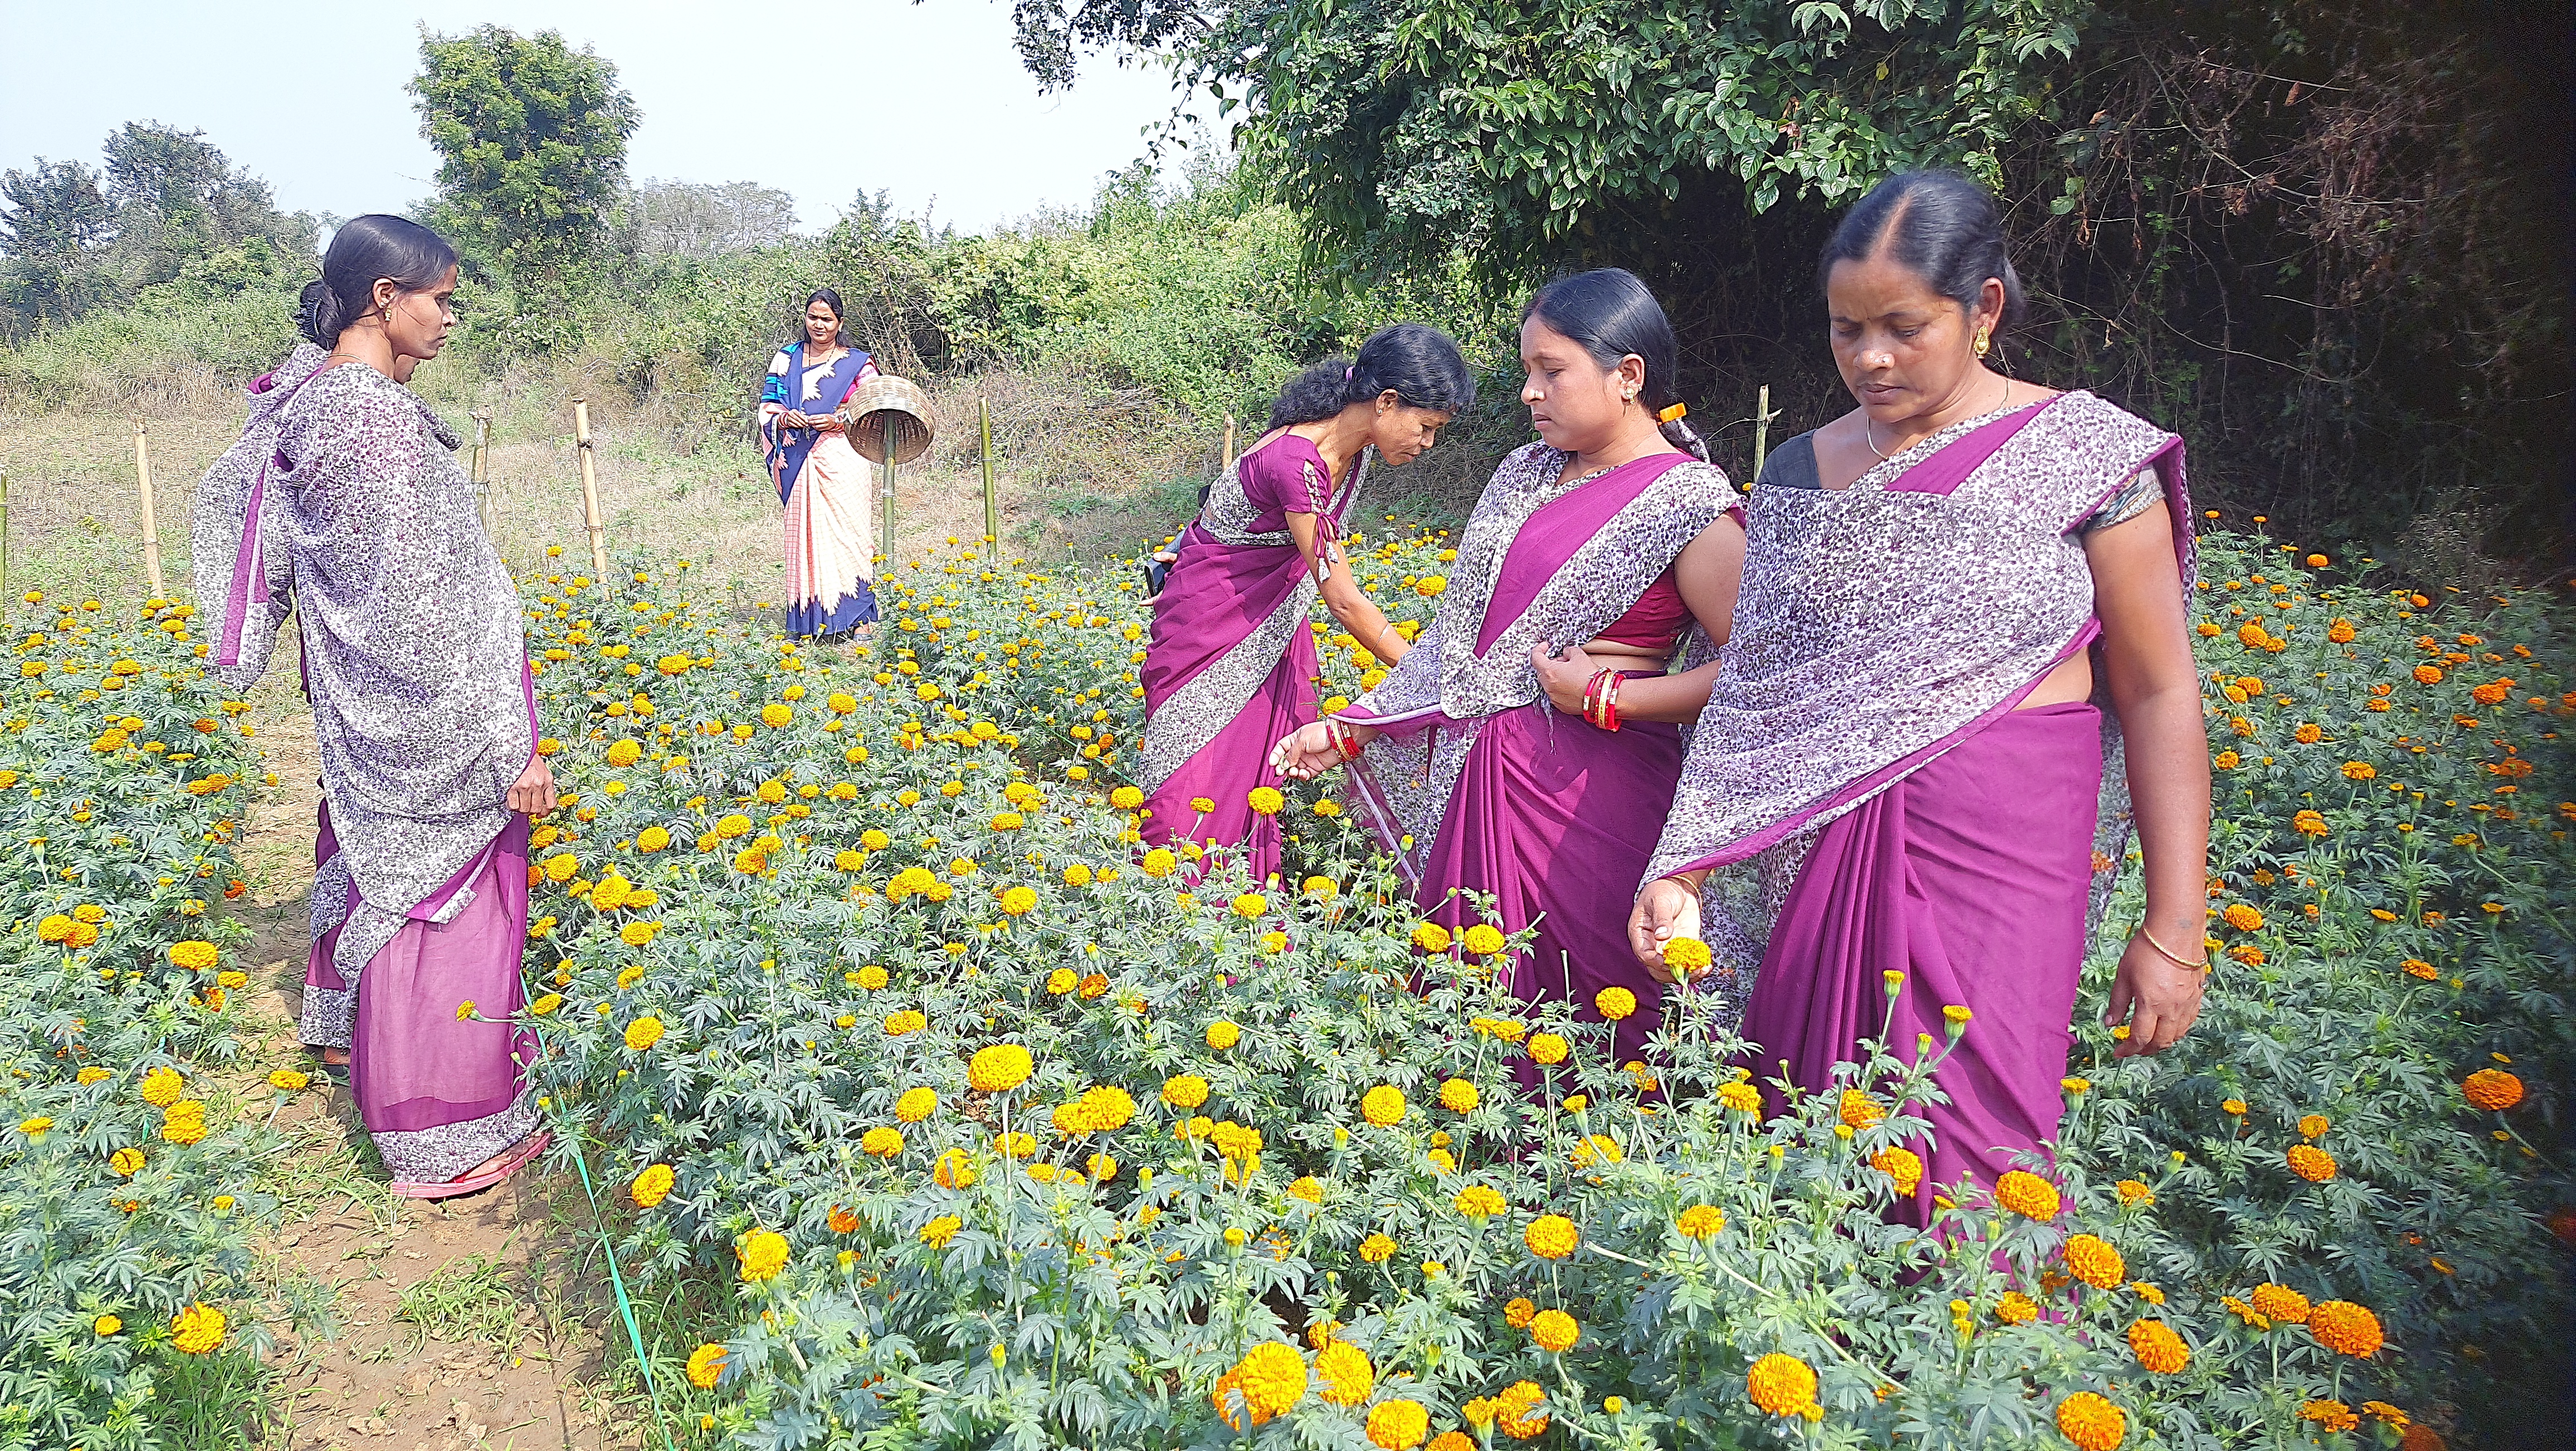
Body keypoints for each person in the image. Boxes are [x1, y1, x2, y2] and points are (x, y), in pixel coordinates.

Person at [1628, 171, 2211, 1225]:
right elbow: (1757, 689)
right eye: (1845, 329)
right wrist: (1686, 858)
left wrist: (2174, 925)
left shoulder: (2085, 461)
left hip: (1999, 847)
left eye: (1903, 327)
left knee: (1975, 1153)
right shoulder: (1803, 469)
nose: (1869, 358)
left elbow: (2161, 688)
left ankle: (1976, 1375)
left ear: (1982, 309)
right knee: (1807, 1144)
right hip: (1824, 854)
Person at [1273, 272, 1745, 1065]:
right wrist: (1357, 724)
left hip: (1590, 801)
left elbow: (1753, 679)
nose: (1530, 392)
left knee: (1588, 1022)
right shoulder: (1523, 472)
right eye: (1528, 370)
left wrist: (1609, 694)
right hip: (1483, 783)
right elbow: (1463, 639)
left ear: (1627, 377)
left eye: (1551, 371)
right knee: (1470, 1014)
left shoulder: (1691, 505)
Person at [195, 214, 553, 1199]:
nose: (449, 318)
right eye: (439, 298)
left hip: (363, 699)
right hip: (427, 701)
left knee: (377, 853)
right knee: (439, 888)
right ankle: (440, 1133)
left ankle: (349, 1035)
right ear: (383, 298)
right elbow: (417, 603)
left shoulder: (316, 397)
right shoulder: (371, 421)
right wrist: (500, 731)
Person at [1137, 323, 1474, 885]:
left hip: (1268, 625)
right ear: (1386, 403)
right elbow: (1342, 599)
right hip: (1212, 627)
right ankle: (1174, 917)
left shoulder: (1349, 450)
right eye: (1426, 427)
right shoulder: (1299, 461)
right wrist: (1426, 677)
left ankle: (1243, 921)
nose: (1426, 443)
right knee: (1190, 783)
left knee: (1254, 777)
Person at [761, 289, 881, 640]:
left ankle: (857, 617)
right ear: (805, 319)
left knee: (850, 534)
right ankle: (811, 620)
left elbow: (870, 407)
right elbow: (768, 404)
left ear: (840, 323)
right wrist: (784, 419)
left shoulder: (859, 364)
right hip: (799, 456)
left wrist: (839, 419)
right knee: (805, 536)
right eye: (813, 317)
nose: (819, 325)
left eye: (827, 319)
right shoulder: (786, 359)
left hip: (843, 457)